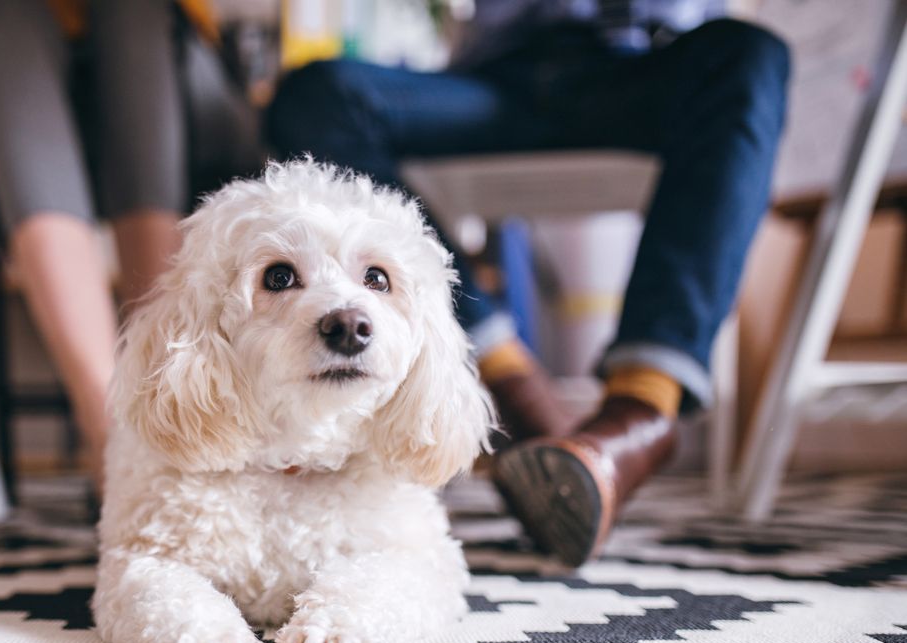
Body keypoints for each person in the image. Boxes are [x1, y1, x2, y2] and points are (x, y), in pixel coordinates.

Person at [266, 0, 790, 566]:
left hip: (649, 65)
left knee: (752, 55)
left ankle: (639, 415)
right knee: (316, 95)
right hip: (499, 79)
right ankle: (511, 385)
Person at [0, 0, 261, 486]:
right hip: (26, 74)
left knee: (133, 14)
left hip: (182, 81)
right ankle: (106, 425)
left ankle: (164, 401)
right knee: (1, 13)